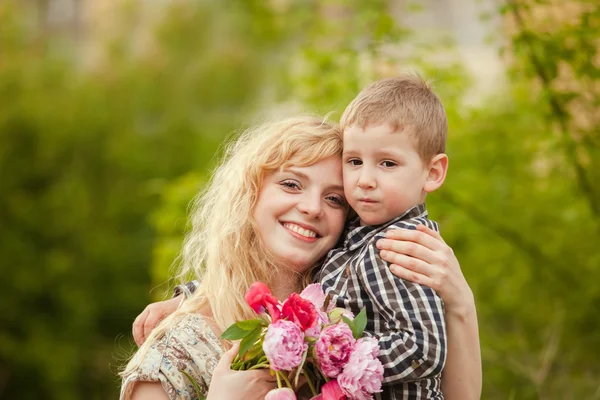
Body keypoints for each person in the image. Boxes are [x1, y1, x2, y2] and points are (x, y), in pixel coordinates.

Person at [124, 117, 481, 399]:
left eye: (334, 199)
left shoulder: (343, 319)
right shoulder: (176, 351)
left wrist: (460, 303)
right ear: (249, 196)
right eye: (291, 184)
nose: (311, 208)